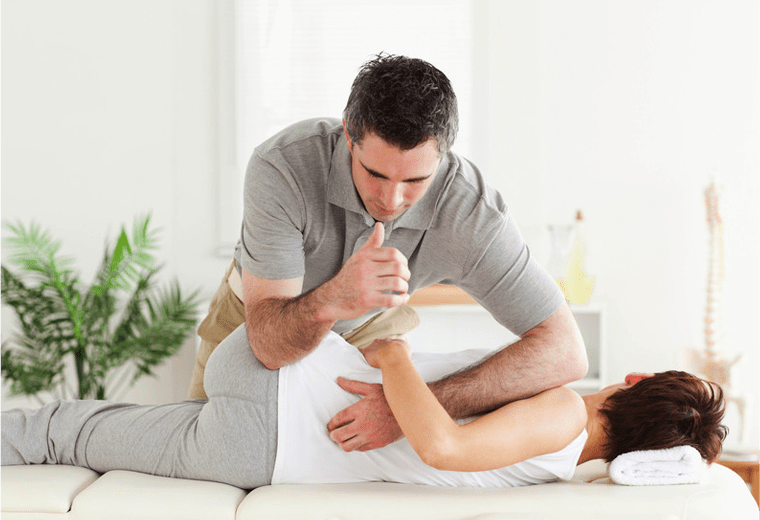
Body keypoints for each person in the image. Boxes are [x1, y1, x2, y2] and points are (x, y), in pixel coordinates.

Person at [188, 53, 588, 453]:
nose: (391, 199)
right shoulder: (283, 166)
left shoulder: (472, 214)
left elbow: (566, 351)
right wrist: (334, 297)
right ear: (348, 134)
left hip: (371, 333)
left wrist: (418, 406)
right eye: (374, 173)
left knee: (348, 473)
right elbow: (268, 347)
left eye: (415, 179)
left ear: (444, 155)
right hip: (256, 320)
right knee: (208, 461)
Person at [2, 326, 726, 489]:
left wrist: (395, 354)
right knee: (70, 430)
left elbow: (445, 446)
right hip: (265, 431)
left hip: (273, 404)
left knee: (65, 427)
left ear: (634, 383)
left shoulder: (567, 417)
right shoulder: (565, 462)